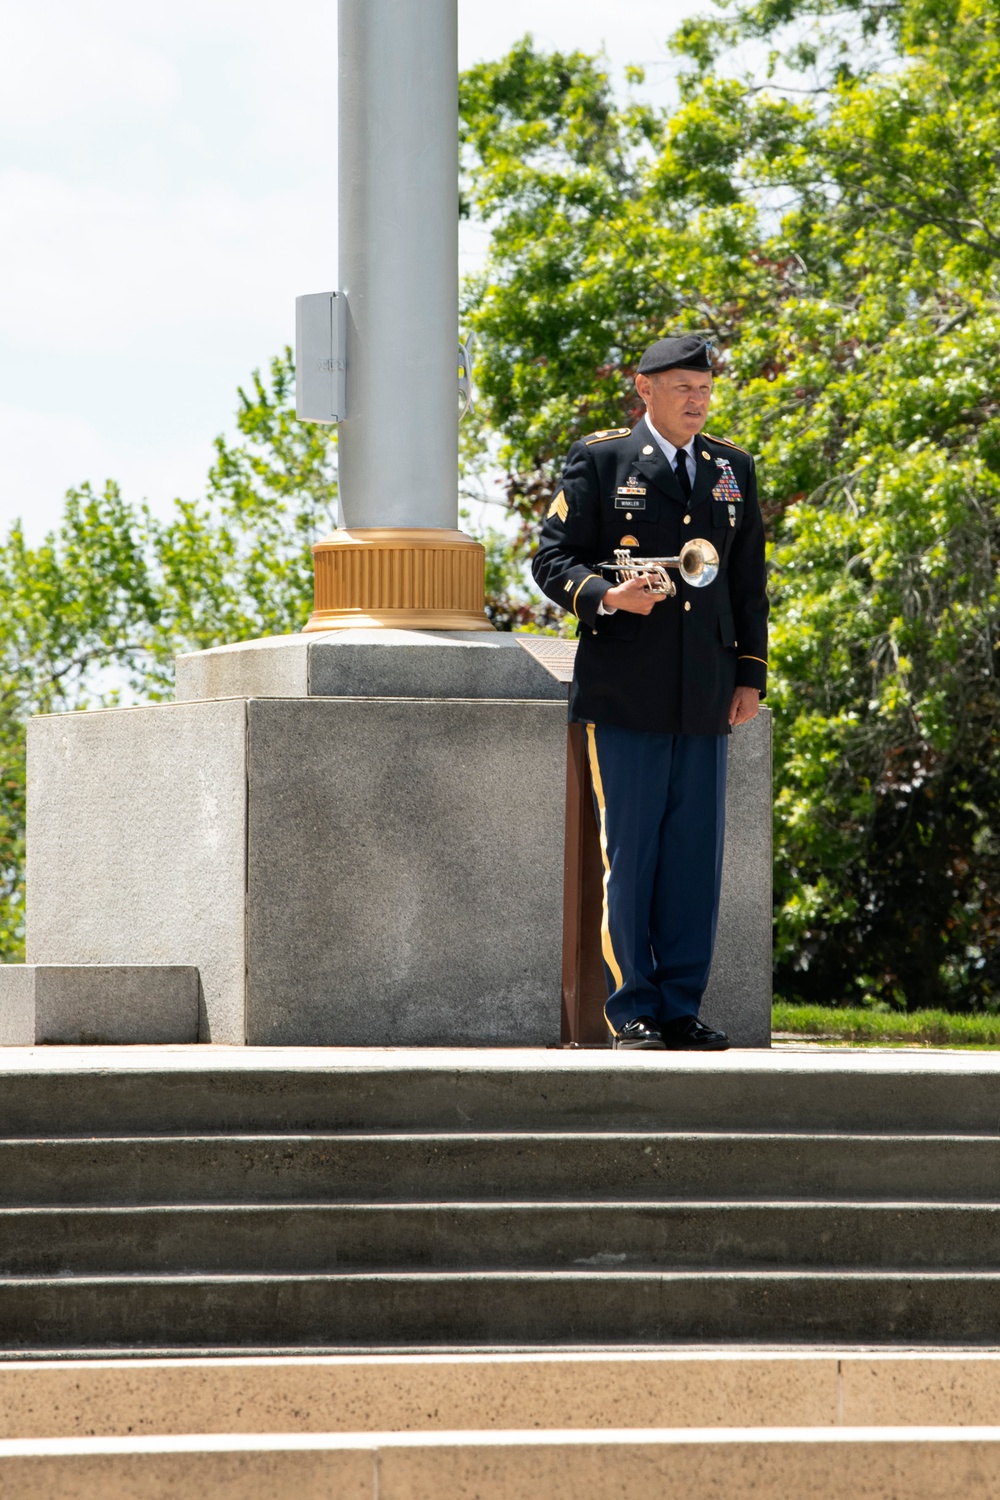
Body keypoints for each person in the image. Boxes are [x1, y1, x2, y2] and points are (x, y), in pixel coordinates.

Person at [532, 335, 768, 1050]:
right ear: (644, 388)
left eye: (705, 387)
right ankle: (631, 1006)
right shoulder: (601, 459)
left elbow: (746, 579)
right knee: (631, 855)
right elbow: (551, 559)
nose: (698, 399)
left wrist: (750, 674)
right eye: (683, 387)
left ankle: (680, 1006)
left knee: (694, 858)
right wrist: (608, 596)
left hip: (705, 693)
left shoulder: (732, 467)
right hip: (626, 692)